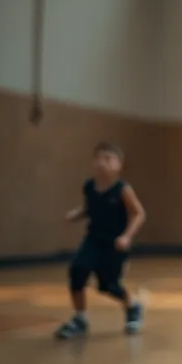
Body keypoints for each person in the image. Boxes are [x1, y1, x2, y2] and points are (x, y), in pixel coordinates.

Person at [54, 142, 146, 338]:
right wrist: (75, 215)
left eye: (108, 159)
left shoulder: (122, 189)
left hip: (114, 243)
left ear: (119, 164)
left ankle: (132, 305)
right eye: (98, 158)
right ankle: (80, 318)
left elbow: (138, 214)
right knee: (78, 269)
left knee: (108, 285)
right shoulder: (89, 186)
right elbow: (89, 208)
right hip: (93, 239)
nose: (102, 163)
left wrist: (127, 236)